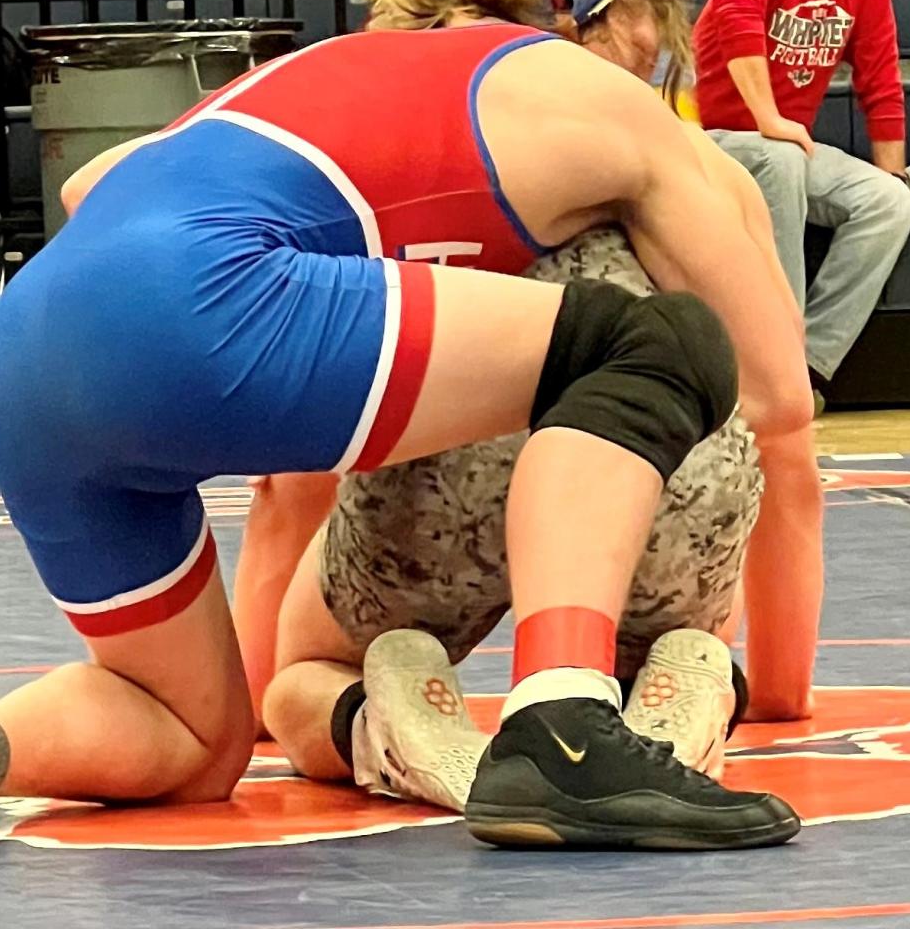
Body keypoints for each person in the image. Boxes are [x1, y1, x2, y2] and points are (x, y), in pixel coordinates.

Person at [0, 0, 810, 852]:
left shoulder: (324, 70)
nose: (656, 44)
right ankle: (562, 719)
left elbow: (91, 185)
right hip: (207, 299)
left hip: (34, 343)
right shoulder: (594, 95)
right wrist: (780, 687)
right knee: (658, 342)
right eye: (651, 8)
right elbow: (773, 396)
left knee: (189, 735)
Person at [257, 225, 763, 811]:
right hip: (656, 453)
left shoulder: (398, 173)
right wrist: (774, 688)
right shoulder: (687, 168)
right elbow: (783, 406)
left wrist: (255, 698)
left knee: (310, 672)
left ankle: (377, 728)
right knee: (687, 635)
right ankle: (688, 695)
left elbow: (294, 468)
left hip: (453, 444)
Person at [694, 0, 910, 404]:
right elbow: (737, 24)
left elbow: (882, 82)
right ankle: (779, 353)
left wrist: (895, 173)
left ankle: (810, 367)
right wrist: (770, 119)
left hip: (782, 147)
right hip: (703, 142)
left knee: (890, 202)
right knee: (784, 154)